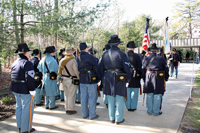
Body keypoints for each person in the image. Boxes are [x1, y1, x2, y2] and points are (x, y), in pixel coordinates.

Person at [99, 35, 131, 124]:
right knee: (120, 98)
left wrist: (102, 79)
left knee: (110, 98)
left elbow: (101, 68)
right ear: (118, 44)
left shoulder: (105, 54)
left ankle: (111, 118)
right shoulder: (122, 54)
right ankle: (119, 119)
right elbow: (127, 68)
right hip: (119, 76)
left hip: (107, 77)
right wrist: (128, 79)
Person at [10, 43, 36, 133]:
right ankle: (26, 129)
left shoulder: (14, 62)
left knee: (19, 107)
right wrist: (32, 89)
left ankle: (20, 126)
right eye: (28, 52)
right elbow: (29, 78)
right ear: (25, 53)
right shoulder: (27, 63)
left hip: (15, 88)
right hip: (24, 89)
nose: (28, 53)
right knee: (27, 109)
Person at [142, 43, 169, 116]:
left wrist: (144, 79)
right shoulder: (161, 58)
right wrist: (166, 77)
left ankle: (149, 111)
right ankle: (156, 111)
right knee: (157, 95)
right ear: (156, 50)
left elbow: (143, 69)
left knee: (149, 94)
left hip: (148, 77)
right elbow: (166, 68)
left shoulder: (146, 58)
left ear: (150, 50)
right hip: (158, 78)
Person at [76, 42, 101, 120]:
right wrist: (99, 78)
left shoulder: (77, 57)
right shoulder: (90, 57)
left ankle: (84, 114)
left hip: (82, 79)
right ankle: (92, 115)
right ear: (86, 48)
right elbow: (96, 68)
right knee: (92, 97)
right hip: (91, 79)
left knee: (83, 97)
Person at [57, 47, 79, 115]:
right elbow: (75, 70)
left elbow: (59, 71)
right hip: (71, 79)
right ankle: (70, 109)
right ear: (71, 53)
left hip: (63, 79)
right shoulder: (73, 60)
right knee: (71, 95)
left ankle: (66, 108)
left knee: (66, 95)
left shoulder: (62, 60)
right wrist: (78, 77)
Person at [125, 41, 142, 112]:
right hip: (135, 76)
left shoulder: (124, 55)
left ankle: (128, 106)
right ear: (133, 48)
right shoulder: (137, 56)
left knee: (127, 92)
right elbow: (140, 67)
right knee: (135, 92)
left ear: (128, 48)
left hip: (126, 76)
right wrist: (140, 76)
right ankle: (133, 107)